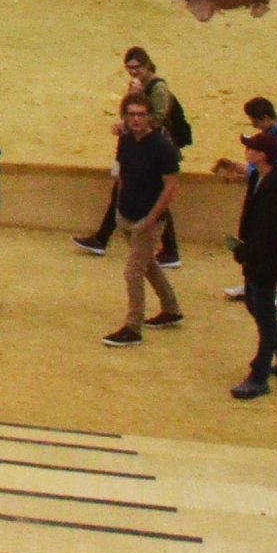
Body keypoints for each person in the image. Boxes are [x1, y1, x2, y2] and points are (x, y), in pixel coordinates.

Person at [73, 48, 185, 268]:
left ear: (147, 65)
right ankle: (102, 238)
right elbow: (128, 110)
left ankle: (169, 250)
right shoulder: (141, 86)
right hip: (139, 145)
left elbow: (156, 118)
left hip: (153, 149)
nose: (133, 72)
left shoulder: (159, 88)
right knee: (122, 190)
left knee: (152, 194)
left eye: (137, 67)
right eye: (130, 68)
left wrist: (130, 115)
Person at [98, 93, 185, 345]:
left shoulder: (162, 147)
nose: (136, 119)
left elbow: (170, 188)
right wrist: (119, 210)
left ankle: (133, 327)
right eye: (131, 114)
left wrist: (150, 220)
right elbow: (123, 175)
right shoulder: (125, 141)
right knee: (147, 265)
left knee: (133, 271)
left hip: (147, 220)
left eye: (141, 114)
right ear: (125, 116)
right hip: (126, 215)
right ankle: (171, 309)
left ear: (149, 117)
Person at [227, 127, 277, 398]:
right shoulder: (262, 179)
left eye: (251, 148)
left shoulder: (273, 190)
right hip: (260, 257)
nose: (246, 150)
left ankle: (259, 375)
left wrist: (246, 251)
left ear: (262, 156)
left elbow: (270, 233)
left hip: (267, 261)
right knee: (258, 307)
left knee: (264, 313)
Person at [218, 96, 277, 310]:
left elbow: (271, 169)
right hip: (267, 196)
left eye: (255, 121)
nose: (255, 126)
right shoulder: (276, 137)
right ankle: (253, 283)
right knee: (255, 238)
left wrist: (244, 170)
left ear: (265, 118)